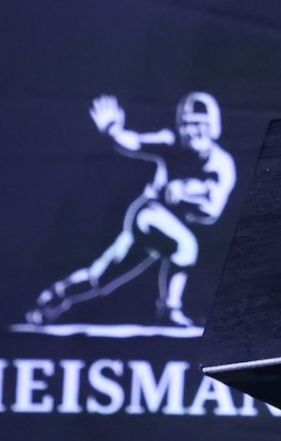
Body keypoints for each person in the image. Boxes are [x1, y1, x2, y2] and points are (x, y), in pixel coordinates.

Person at [22, 93, 234, 336]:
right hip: (148, 215)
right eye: (186, 123)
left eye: (198, 124)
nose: (191, 130)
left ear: (212, 126)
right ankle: (169, 309)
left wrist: (186, 196)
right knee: (186, 246)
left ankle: (53, 297)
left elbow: (212, 212)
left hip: (169, 226)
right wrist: (114, 130)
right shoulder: (171, 142)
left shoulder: (221, 165)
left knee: (99, 279)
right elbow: (135, 142)